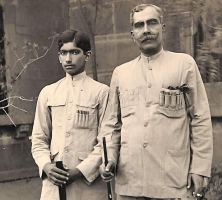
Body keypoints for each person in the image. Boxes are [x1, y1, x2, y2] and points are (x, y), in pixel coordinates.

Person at [99, 4, 213, 200]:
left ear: (163, 28)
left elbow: (200, 119)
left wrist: (200, 169)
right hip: (130, 183)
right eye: (139, 25)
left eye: (152, 23)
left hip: (172, 181)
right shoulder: (121, 73)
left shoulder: (184, 65)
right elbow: (111, 125)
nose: (146, 30)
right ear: (132, 34)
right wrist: (108, 159)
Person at [31, 29, 109, 200]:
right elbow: (39, 139)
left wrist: (80, 171)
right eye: (63, 53)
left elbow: (106, 141)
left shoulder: (101, 92)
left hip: (88, 185)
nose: (68, 58)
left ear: (87, 56)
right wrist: (46, 166)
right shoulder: (48, 93)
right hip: (54, 182)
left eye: (74, 52)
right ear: (59, 57)